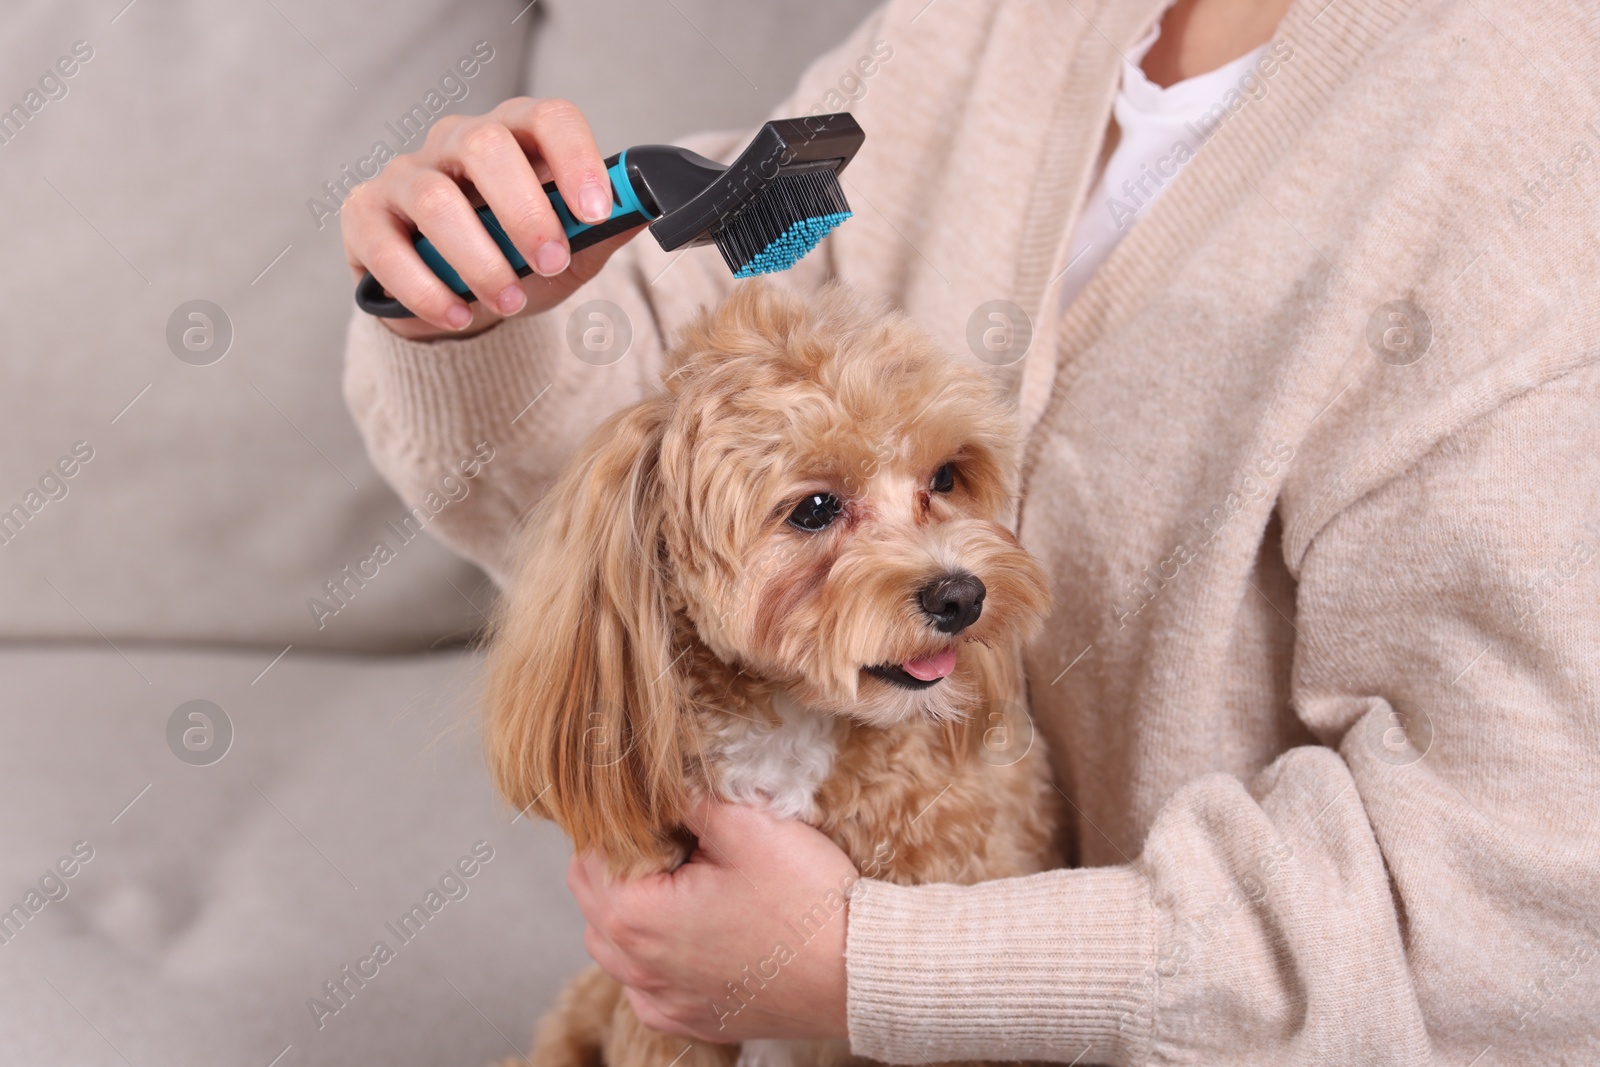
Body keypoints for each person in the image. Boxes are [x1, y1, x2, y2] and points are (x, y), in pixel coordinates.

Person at [340, 0, 1600, 1060]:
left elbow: (1525, 909)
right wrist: (473, 308)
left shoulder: (1532, 138)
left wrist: (871, 968)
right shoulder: (974, 25)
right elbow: (643, 476)